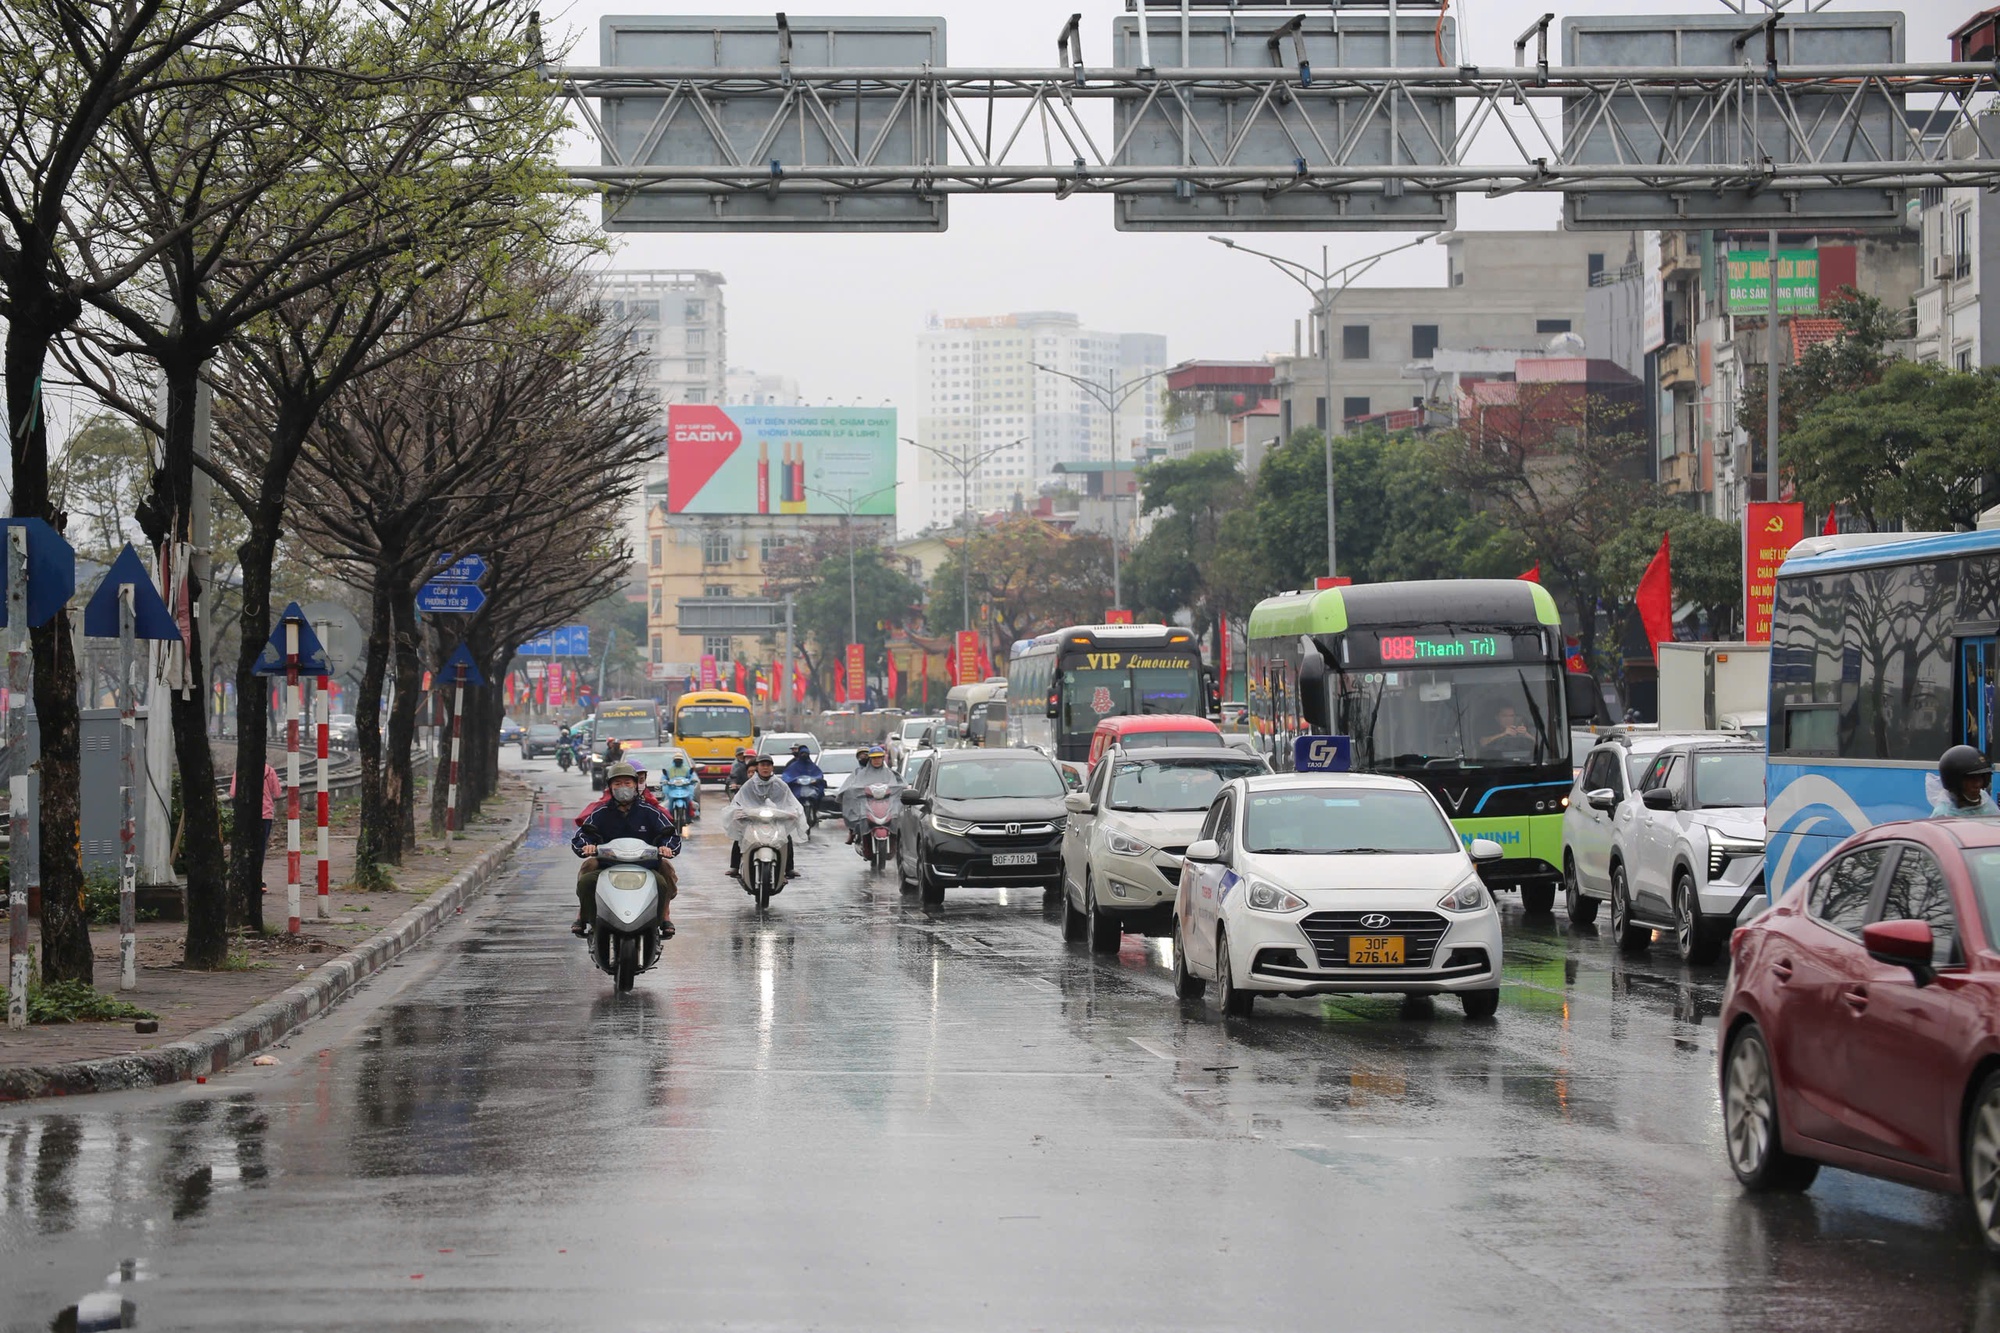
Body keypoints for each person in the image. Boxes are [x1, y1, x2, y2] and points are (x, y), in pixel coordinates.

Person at [571, 762, 680, 938]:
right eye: (618, 784)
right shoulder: (601, 812)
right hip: (606, 866)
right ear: (610, 787)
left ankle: (662, 918)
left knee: (663, 878)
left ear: (636, 785)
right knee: (586, 879)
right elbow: (581, 835)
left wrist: (667, 847)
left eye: (627, 783)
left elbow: (670, 834)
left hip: (647, 866)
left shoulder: (650, 812)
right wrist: (587, 846)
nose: (623, 788)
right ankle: (588, 918)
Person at [724, 752, 807, 881]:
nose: (765, 768)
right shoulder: (749, 785)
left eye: (768, 765)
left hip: (775, 819)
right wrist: (739, 812)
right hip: (753, 819)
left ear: (772, 768)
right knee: (741, 835)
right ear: (757, 767)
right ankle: (734, 866)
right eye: (762, 765)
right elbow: (739, 801)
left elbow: (789, 802)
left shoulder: (780, 785)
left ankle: (788, 868)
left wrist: (792, 813)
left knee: (786, 837)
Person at [229, 761, 284, 891]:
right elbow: (277, 793)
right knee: (260, 847)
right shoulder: (270, 771)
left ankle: (243, 878)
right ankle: (258, 879)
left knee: (245, 846)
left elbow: (233, 793)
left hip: (246, 815)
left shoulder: (240, 770)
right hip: (265, 815)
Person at [840, 746, 905, 843]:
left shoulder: (890, 773)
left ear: (883, 758)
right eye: (874, 758)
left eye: (879, 757)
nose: (877, 760)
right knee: (860, 816)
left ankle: (897, 840)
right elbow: (854, 786)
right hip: (867, 803)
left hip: (886, 803)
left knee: (896, 815)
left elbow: (898, 785)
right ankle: (855, 833)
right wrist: (851, 791)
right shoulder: (861, 773)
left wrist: (902, 789)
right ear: (870, 759)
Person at [1933, 745, 2000, 818]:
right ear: (1954, 782)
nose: (1977, 785)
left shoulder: (1984, 799)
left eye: (1981, 777)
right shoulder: (1944, 815)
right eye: (1971, 779)